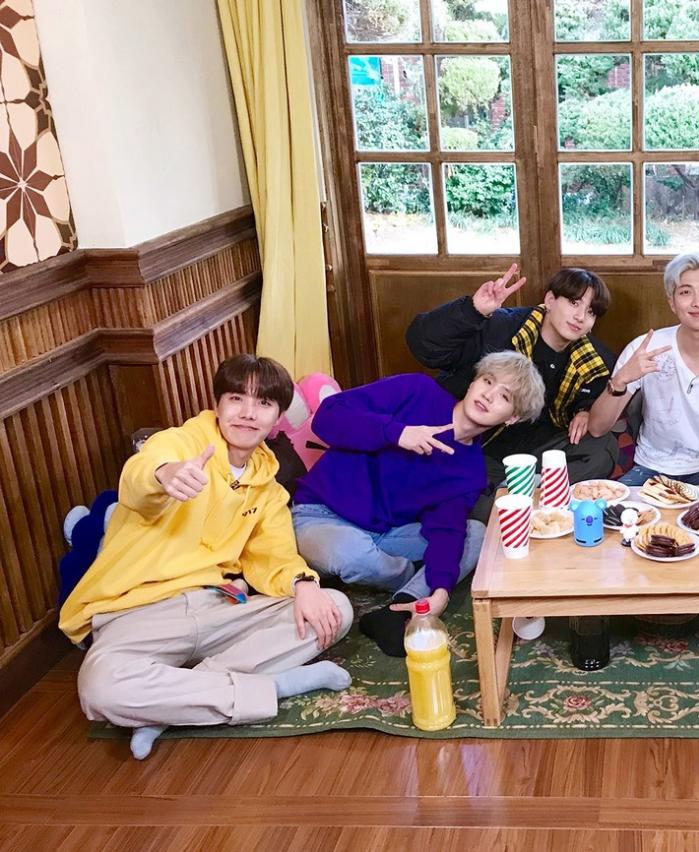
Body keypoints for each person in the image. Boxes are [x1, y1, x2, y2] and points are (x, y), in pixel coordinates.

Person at [61, 355, 354, 761]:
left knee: (334, 609)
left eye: (264, 403)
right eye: (236, 398)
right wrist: (165, 475)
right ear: (217, 404)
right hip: (138, 611)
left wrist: (303, 584)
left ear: (277, 418)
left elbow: (275, 556)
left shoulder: (267, 488)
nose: (248, 413)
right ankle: (275, 686)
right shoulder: (182, 444)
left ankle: (170, 705)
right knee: (100, 688)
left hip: (217, 606)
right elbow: (140, 475)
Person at [291, 352, 545, 656]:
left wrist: (441, 592)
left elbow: (446, 528)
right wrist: (396, 432)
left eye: (504, 396)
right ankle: (408, 574)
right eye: (487, 381)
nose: (489, 395)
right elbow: (328, 417)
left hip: (386, 534)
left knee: (478, 535)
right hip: (320, 515)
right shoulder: (417, 390)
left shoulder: (470, 470)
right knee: (350, 552)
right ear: (473, 382)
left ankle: (401, 605)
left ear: (512, 418)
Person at [407, 265, 616, 520]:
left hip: (534, 453)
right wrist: (473, 310)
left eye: (591, 312)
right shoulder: (500, 326)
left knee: (603, 447)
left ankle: (518, 497)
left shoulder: (595, 360)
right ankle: (519, 502)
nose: (580, 316)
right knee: (461, 504)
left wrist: (585, 409)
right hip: (475, 448)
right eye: (574, 302)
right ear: (550, 300)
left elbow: (593, 395)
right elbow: (424, 347)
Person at [587, 252, 699, 491]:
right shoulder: (645, 349)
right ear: (672, 302)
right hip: (650, 469)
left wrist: (698, 502)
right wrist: (620, 380)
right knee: (612, 511)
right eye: (685, 292)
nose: (698, 302)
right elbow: (597, 427)